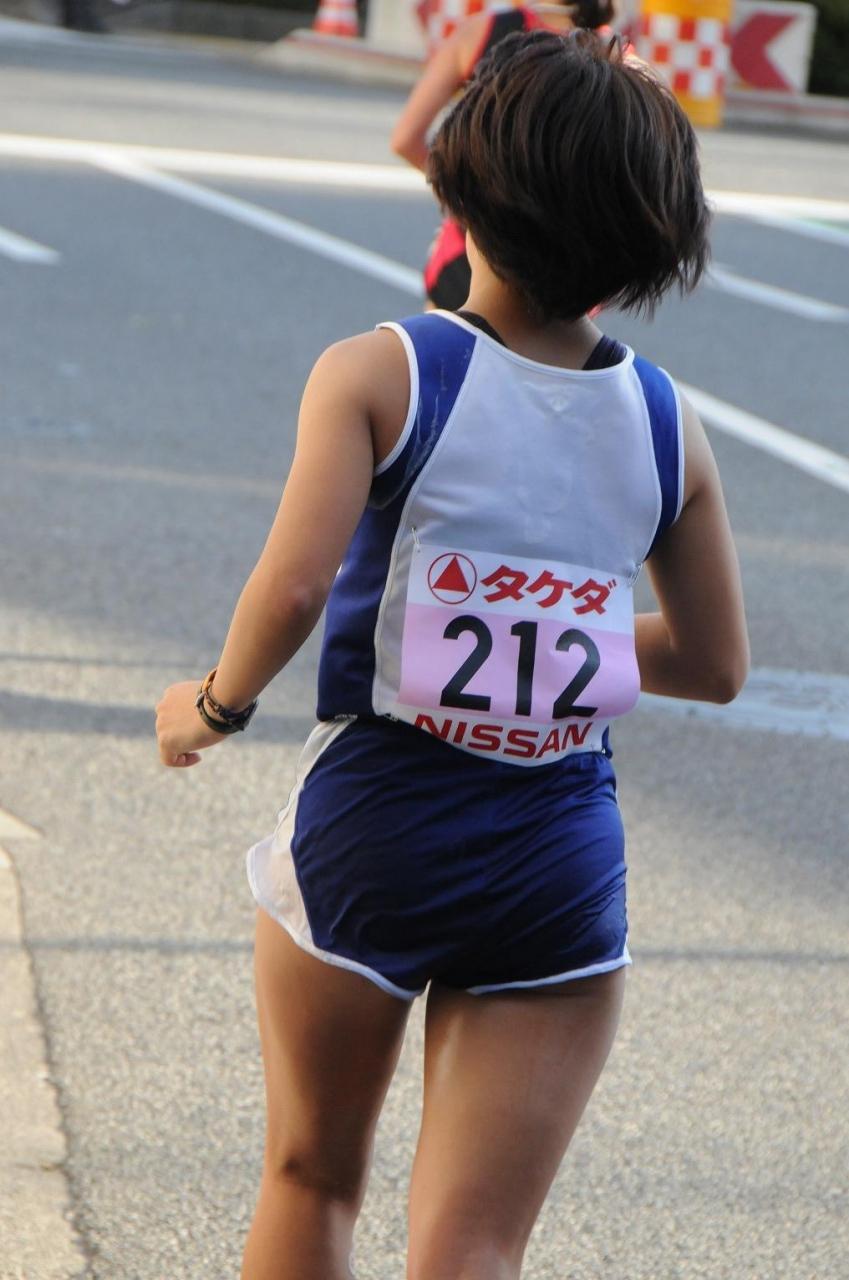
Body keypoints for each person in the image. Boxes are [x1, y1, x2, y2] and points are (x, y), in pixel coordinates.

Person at [156, 30, 749, 1280]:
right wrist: (554, 626)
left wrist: (211, 707)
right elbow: (714, 663)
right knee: (476, 1243)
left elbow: (297, 585)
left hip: (378, 821)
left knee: (313, 1175)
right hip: (558, 847)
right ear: (646, 240)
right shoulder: (665, 419)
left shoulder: (384, 370)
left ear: (460, 191)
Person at [392, 1, 618, 309]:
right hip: (571, 266)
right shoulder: (617, 58)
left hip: (475, 251)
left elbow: (406, 139)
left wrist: (470, 196)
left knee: (445, 339)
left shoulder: (485, 32)